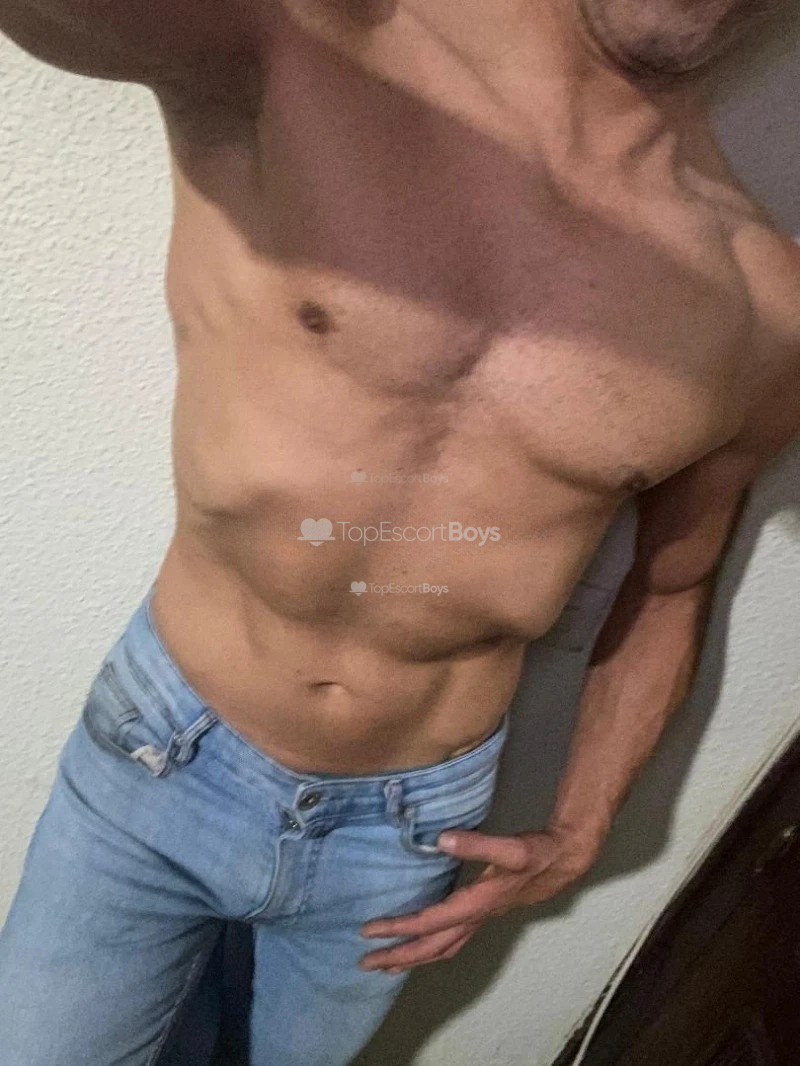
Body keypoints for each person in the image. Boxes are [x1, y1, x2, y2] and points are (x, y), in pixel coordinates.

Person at [1, 0, 798, 1063]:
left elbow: (672, 583)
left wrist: (583, 826)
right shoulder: (314, 39)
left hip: (407, 829)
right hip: (161, 757)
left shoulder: (766, 305)